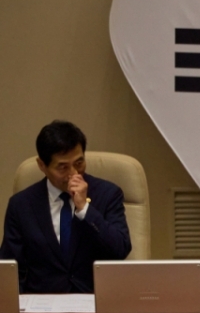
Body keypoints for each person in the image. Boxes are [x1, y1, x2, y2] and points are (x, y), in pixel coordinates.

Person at [1, 120, 132, 293]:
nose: (74, 174)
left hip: (94, 299)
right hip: (42, 301)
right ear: (42, 165)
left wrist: (85, 209)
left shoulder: (108, 194)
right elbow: (10, 269)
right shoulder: (21, 205)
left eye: (79, 163)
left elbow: (121, 249)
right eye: (63, 167)